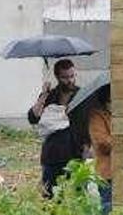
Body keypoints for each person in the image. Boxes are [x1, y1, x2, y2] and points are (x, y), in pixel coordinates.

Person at [27, 59, 83, 198]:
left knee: (76, 196)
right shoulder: (50, 96)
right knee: (50, 196)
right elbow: (33, 118)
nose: (70, 80)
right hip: (52, 154)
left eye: (72, 76)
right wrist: (44, 95)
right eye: (65, 77)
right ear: (57, 77)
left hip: (75, 153)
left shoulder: (81, 95)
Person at [88, 91, 113, 215]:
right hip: (107, 172)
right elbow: (102, 143)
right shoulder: (97, 116)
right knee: (108, 206)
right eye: (110, 100)